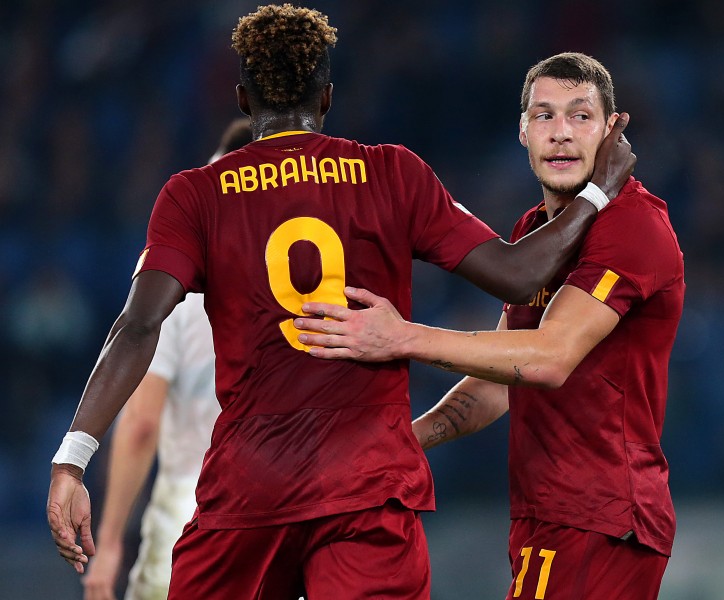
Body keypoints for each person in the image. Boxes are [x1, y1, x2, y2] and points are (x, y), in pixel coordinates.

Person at [46, 6, 635, 599]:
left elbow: (140, 323)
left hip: (249, 488)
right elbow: (517, 273)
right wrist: (599, 192)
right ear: (327, 96)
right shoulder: (391, 174)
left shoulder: (194, 194)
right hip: (367, 486)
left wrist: (73, 458)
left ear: (243, 99)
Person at [294, 52, 683, 600]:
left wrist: (400, 335)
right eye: (544, 116)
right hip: (550, 515)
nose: (561, 134)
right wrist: (405, 441)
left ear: (613, 131)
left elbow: (548, 358)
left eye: (581, 116)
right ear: (522, 132)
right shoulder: (536, 232)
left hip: (600, 516)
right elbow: (501, 379)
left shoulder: (634, 226)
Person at [81, 119, 251, 600]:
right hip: (293, 506)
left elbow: (140, 422)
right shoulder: (314, 260)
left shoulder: (176, 262)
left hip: (193, 512)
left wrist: (111, 540)